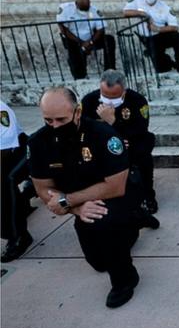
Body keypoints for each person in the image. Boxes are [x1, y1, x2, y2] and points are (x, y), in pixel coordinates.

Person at [28, 87, 150, 308]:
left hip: (118, 192)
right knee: (99, 263)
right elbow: (43, 188)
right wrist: (74, 206)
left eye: (60, 119)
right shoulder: (39, 142)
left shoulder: (103, 135)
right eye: (48, 120)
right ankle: (134, 220)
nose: (54, 126)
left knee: (105, 223)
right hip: (80, 200)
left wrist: (68, 200)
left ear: (78, 112)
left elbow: (115, 186)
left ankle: (126, 280)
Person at [81, 70, 157, 216]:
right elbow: (84, 130)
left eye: (114, 97)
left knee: (144, 150)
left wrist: (113, 122)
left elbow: (140, 130)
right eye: (105, 96)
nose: (109, 101)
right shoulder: (89, 102)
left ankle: (148, 195)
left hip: (131, 143)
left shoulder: (137, 101)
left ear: (124, 91)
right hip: (101, 146)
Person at [123, 0, 179, 73]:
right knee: (161, 69)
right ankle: (168, 61)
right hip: (147, 38)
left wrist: (157, 29)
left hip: (159, 36)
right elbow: (125, 12)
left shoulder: (164, 7)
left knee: (177, 36)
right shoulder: (138, 0)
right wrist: (142, 13)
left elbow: (174, 26)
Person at [1, 101, 36, 263]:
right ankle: (27, 194)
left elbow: (7, 146)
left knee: (6, 181)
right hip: (5, 155)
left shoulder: (1, 110)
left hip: (20, 150)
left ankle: (19, 237)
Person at [56, 0, 116, 80]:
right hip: (72, 38)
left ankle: (109, 72)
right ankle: (80, 77)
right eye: (82, 9)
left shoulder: (94, 10)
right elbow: (63, 29)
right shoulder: (66, 9)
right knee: (73, 51)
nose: (85, 11)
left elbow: (101, 28)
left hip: (90, 37)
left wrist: (90, 42)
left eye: (87, 8)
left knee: (109, 40)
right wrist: (81, 42)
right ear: (76, 4)